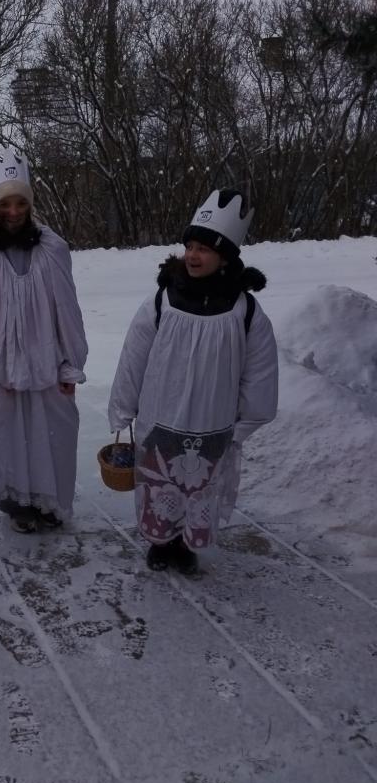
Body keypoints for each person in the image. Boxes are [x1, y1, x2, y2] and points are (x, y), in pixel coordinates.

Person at [108, 189, 279, 574]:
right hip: (162, 414)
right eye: (190, 247)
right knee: (161, 482)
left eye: (204, 249)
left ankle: (187, 543)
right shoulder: (162, 302)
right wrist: (123, 406)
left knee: (199, 485)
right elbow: (134, 357)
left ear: (225, 257)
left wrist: (247, 421)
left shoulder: (245, 312)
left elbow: (260, 371)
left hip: (212, 419)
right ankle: (161, 540)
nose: (193, 255)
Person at [0, 150, 88, 532]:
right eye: (4, 204)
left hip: (48, 364)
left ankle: (49, 503)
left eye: (20, 203)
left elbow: (68, 309)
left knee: (53, 437)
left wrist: (72, 362)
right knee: (8, 439)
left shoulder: (53, 248)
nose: (13, 212)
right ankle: (17, 506)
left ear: (30, 205)